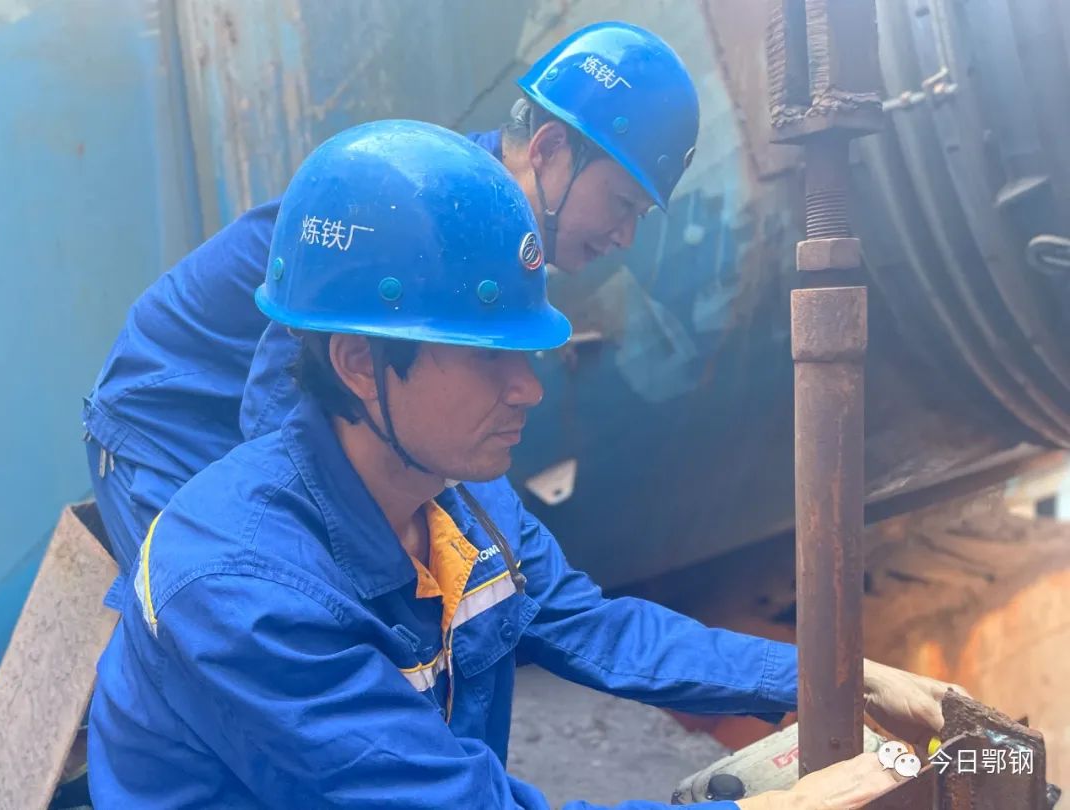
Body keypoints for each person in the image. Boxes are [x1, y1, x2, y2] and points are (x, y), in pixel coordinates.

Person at [89, 120, 961, 810]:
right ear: (358, 364)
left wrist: (832, 675)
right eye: (486, 357)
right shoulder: (244, 595)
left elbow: (598, 628)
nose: (529, 390)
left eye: (527, 352)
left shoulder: (461, 499)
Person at [81, 21, 701, 605]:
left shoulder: (489, 220)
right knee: (219, 612)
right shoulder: (420, 213)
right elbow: (281, 396)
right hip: (168, 418)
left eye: (639, 216)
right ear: (550, 148)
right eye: (621, 203)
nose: (625, 236)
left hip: (241, 408)